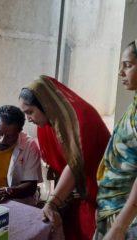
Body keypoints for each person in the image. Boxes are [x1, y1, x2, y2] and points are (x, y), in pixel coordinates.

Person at [19, 75, 110, 240]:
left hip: (97, 193)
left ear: (45, 105)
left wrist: (53, 202)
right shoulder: (47, 124)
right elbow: (58, 166)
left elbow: (75, 165)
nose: (29, 119)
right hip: (73, 194)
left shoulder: (82, 120)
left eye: (30, 112)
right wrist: (58, 200)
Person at [94, 40, 137, 240]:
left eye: (128, 65)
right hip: (112, 207)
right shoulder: (134, 107)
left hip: (127, 218)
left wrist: (119, 227)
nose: (121, 72)